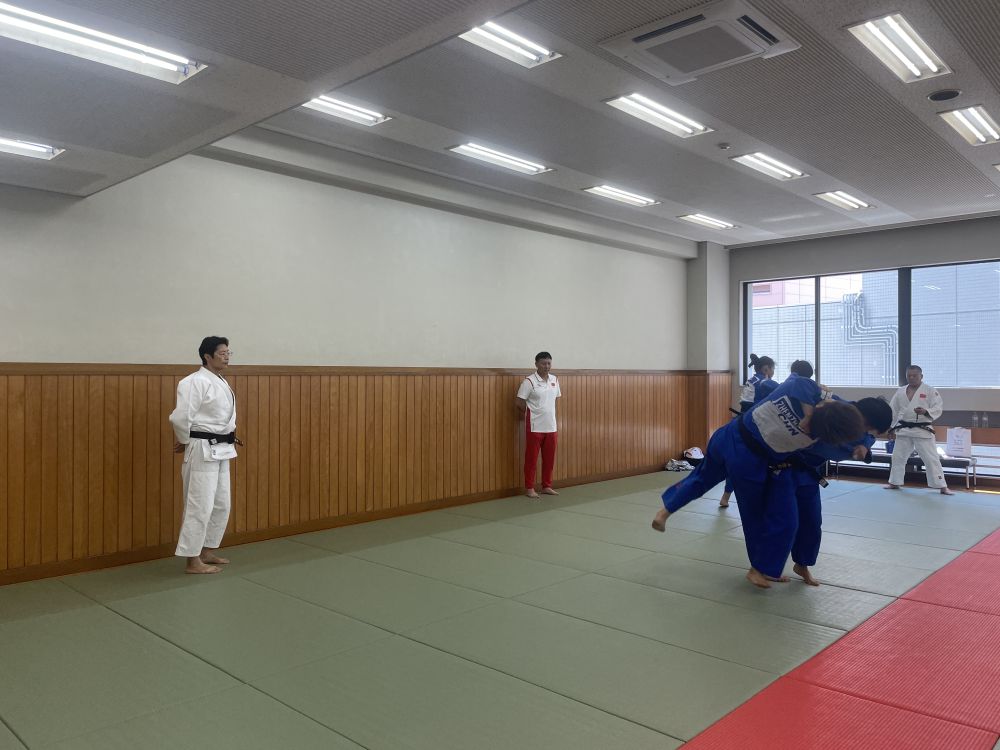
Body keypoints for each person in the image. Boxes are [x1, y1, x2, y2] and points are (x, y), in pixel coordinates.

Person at [652, 372, 866, 588]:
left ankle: (665, 511)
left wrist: (811, 410)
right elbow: (844, 441)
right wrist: (861, 444)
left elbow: (797, 380)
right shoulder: (818, 440)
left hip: (728, 434)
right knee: (755, 513)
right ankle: (759, 569)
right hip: (748, 460)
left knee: (701, 477)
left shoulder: (796, 392)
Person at [788, 397, 893, 586]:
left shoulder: (861, 426)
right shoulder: (832, 405)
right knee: (783, 521)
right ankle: (766, 566)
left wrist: (865, 446)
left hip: (809, 473)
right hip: (784, 467)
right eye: (869, 427)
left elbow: (869, 436)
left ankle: (802, 564)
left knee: (812, 521)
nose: (867, 431)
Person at [169, 336, 241, 574]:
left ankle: (206, 550)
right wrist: (185, 440)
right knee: (199, 504)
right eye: (222, 353)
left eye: (229, 353)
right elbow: (181, 416)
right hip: (201, 448)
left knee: (221, 503)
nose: (227, 357)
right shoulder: (194, 382)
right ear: (207, 357)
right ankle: (192, 560)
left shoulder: (220, 381)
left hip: (222, 448)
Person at [884, 365, 954, 495]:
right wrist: (890, 427)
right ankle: (894, 482)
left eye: (914, 375)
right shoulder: (900, 391)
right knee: (898, 457)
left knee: (931, 458)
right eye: (909, 376)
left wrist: (926, 411)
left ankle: (942, 486)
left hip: (922, 429)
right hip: (904, 428)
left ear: (921, 376)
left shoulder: (930, 391)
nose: (911, 378)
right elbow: (893, 410)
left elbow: (938, 408)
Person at [719, 354, 778, 508]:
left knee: (737, 461)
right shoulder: (765, 382)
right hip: (755, 426)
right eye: (772, 369)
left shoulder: (752, 380)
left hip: (741, 423)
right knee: (764, 460)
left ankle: (725, 497)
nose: (773, 372)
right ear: (766, 369)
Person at [516, 351, 561, 498]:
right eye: (543, 363)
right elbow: (519, 402)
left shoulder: (555, 380)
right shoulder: (529, 382)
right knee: (531, 459)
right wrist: (533, 412)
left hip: (551, 426)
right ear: (536, 364)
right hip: (535, 426)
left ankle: (546, 486)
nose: (546, 366)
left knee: (549, 459)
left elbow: (554, 400)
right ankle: (529, 488)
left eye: (549, 363)